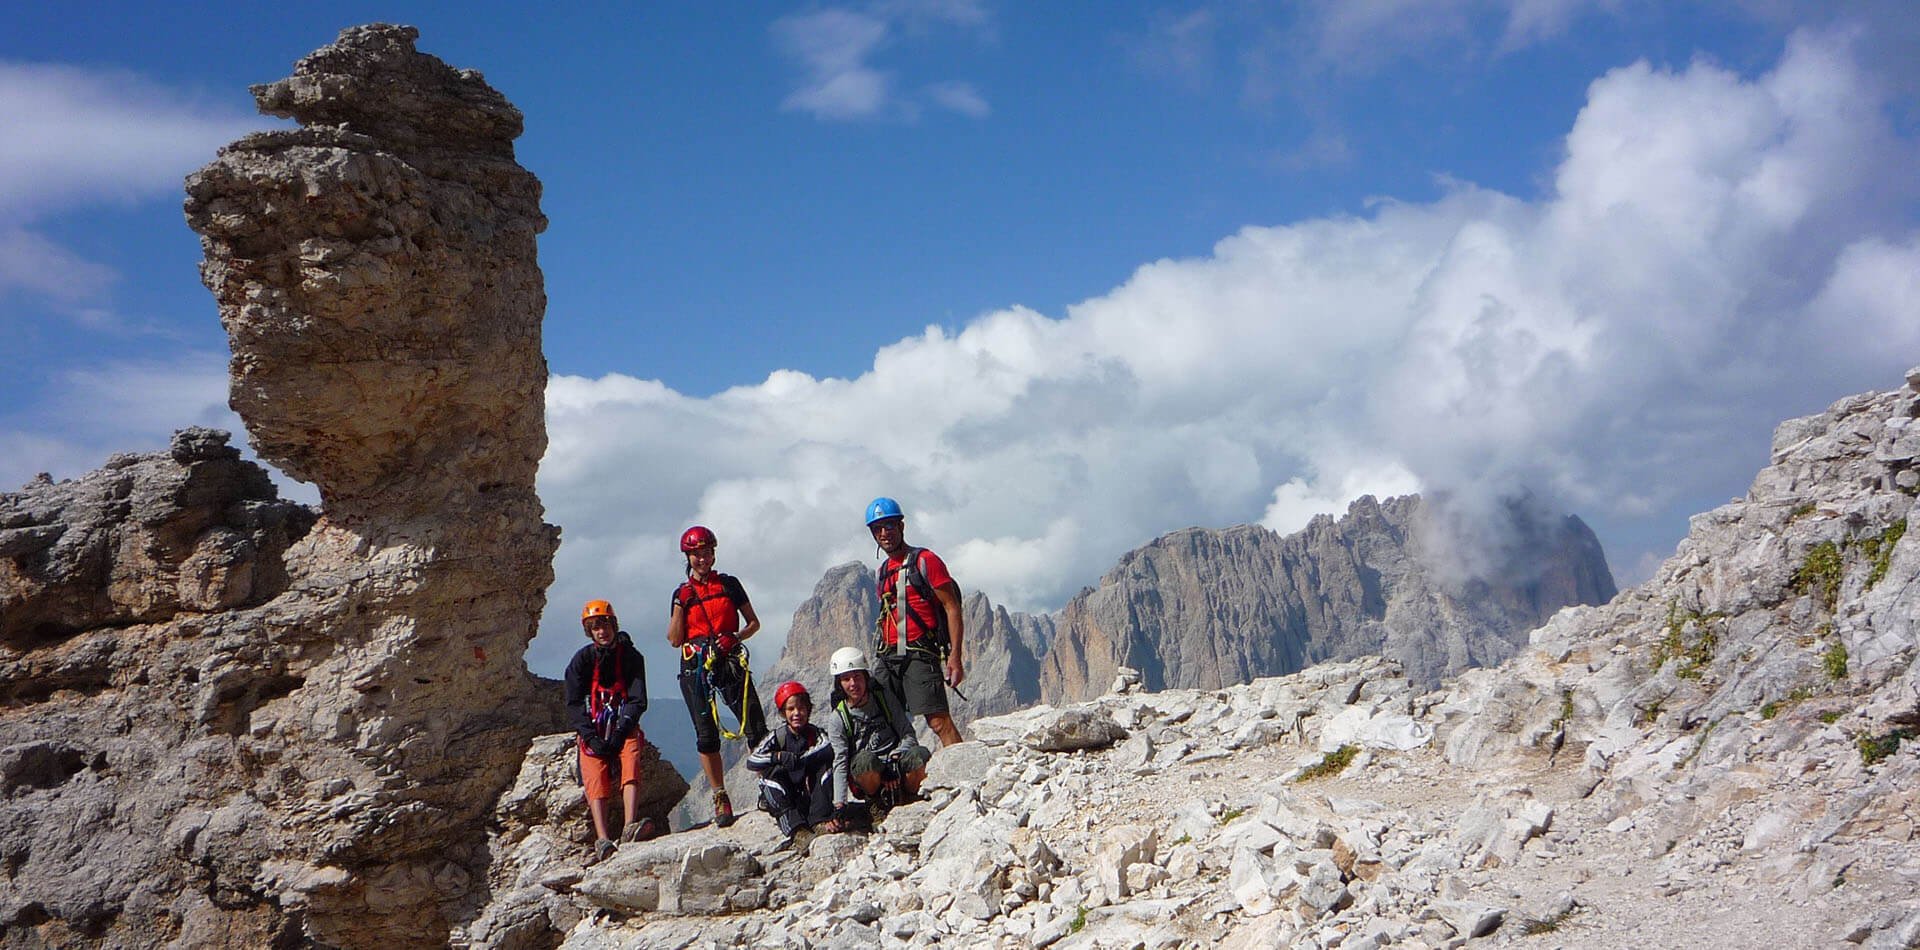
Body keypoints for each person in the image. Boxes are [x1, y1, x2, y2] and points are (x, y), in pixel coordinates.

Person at [667, 525, 768, 828]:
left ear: (713, 553)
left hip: (728, 659)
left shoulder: (730, 585)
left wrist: (734, 637)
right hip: (696, 666)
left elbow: (753, 623)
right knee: (706, 733)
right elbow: (674, 639)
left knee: (754, 722)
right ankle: (720, 796)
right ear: (688, 556)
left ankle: (768, 785)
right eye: (696, 554)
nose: (702, 558)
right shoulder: (682, 593)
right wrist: (679, 605)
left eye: (706, 552)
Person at [863, 497, 966, 746]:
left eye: (889, 526)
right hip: (888, 657)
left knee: (938, 720)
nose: (884, 533)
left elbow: (951, 608)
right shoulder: (882, 572)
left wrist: (954, 657)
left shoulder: (926, 560)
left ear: (901, 526)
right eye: (878, 529)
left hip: (919, 653)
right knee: (881, 717)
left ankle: (967, 773)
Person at [564, 599, 655, 862]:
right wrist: (590, 735)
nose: (601, 631)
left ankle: (630, 826)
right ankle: (602, 838)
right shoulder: (582, 660)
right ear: (590, 632)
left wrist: (621, 729)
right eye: (595, 628)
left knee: (632, 754)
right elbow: (573, 702)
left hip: (622, 725)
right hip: (594, 727)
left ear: (613, 625)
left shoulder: (631, 657)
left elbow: (638, 699)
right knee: (593, 769)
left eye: (604, 625)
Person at [824, 646, 930, 823]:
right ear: (839, 683)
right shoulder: (838, 718)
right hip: (868, 771)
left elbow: (908, 734)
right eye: (846, 679)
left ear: (866, 677)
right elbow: (840, 761)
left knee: (921, 754)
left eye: (857, 676)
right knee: (865, 760)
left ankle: (911, 797)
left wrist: (896, 757)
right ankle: (876, 804)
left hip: (896, 762)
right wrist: (839, 804)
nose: (853, 684)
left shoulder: (884, 699)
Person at [744, 680, 835, 843]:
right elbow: (752, 761)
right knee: (770, 778)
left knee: (825, 768)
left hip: (805, 792)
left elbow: (827, 748)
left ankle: (819, 820)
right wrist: (777, 757)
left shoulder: (816, 734)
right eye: (790, 709)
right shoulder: (777, 736)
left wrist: (799, 760)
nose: (797, 713)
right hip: (784, 792)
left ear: (808, 709)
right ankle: (797, 831)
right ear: (783, 713)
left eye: (801, 708)